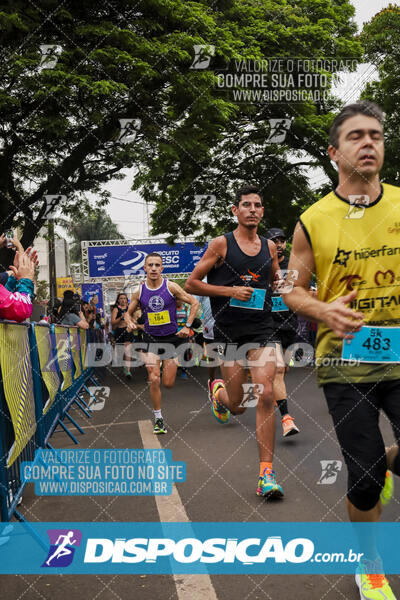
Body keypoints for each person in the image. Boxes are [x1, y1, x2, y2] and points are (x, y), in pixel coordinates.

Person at [285, 100, 400, 600]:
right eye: (356, 136)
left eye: (375, 135)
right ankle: (370, 563)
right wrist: (322, 309)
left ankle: (388, 459)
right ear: (335, 152)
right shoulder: (313, 221)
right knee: (365, 473)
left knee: (380, 463)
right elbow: (290, 288)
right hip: (344, 360)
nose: (369, 143)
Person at [185, 185, 284, 498]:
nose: (252, 209)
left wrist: (292, 291)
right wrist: (230, 292)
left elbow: (276, 280)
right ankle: (221, 396)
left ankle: (266, 474)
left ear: (262, 211)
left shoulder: (269, 247)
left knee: (265, 390)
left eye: (257, 205)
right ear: (235, 210)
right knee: (239, 407)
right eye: (246, 205)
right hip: (228, 331)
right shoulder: (221, 244)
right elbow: (192, 283)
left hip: (261, 328)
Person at [125, 252, 199, 434]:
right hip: (151, 338)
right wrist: (129, 321)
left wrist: (187, 326)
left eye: (157, 265)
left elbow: (194, 302)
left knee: (168, 383)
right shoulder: (139, 291)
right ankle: (158, 418)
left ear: (162, 268)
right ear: (144, 268)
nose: (153, 268)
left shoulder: (171, 287)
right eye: (150, 265)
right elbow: (128, 312)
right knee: (153, 377)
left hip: (171, 339)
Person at [266, 227, 300, 437]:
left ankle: (270, 395)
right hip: (268, 325)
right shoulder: (261, 265)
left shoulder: (295, 266)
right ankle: (286, 419)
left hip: (290, 325)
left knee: (282, 371)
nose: (278, 244)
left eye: (281, 241)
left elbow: (303, 289)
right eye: (273, 241)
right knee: (278, 368)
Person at [111, 292, 134, 379]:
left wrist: (131, 322)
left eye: (124, 298)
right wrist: (121, 317)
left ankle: (128, 371)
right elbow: (112, 322)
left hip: (128, 330)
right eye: (121, 298)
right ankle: (124, 366)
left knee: (128, 351)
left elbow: (133, 319)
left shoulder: (130, 308)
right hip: (119, 331)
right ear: (118, 300)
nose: (123, 300)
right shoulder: (116, 309)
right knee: (121, 353)